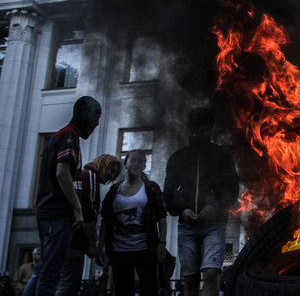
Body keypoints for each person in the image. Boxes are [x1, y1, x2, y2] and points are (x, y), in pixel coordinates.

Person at [28, 96, 102, 296]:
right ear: (86, 115)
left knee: (43, 269)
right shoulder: (69, 136)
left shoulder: (60, 135)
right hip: (57, 215)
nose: (97, 123)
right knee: (51, 273)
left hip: (48, 214)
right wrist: (77, 208)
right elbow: (62, 173)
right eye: (97, 117)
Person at [163, 108, 239, 296]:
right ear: (190, 127)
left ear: (211, 128)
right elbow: (169, 193)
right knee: (190, 278)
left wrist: (216, 207)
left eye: (204, 126)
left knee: (212, 274)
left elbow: (232, 189)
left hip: (214, 225)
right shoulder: (178, 158)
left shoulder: (222, 156)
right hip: (187, 226)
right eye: (196, 126)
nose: (200, 131)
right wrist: (182, 211)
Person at [100, 150, 168, 296]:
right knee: (122, 290)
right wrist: (100, 247)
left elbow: (162, 217)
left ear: (144, 166)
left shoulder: (151, 188)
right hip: (119, 250)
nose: (136, 164)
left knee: (149, 289)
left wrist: (162, 244)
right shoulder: (114, 190)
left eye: (140, 161)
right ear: (126, 163)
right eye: (133, 160)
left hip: (145, 249)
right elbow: (106, 220)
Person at [56, 155, 122, 296]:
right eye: (110, 170)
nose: (111, 175)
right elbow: (88, 213)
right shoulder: (90, 176)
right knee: (69, 286)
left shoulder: (79, 175)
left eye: (114, 174)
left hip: (60, 235)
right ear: (101, 164)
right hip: (74, 240)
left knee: (50, 280)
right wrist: (93, 244)